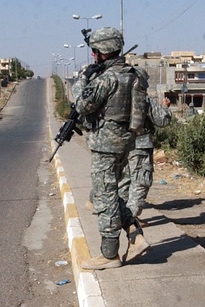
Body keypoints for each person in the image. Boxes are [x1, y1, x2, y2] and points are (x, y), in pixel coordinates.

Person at [72, 26, 150, 270]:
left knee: (104, 198)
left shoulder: (107, 79)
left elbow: (82, 104)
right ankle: (135, 236)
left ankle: (109, 255)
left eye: (95, 51)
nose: (93, 55)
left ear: (101, 52)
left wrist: (83, 79)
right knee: (108, 192)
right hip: (126, 142)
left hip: (105, 144)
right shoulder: (134, 74)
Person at [119, 82, 172, 219]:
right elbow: (162, 120)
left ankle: (122, 214)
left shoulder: (118, 97)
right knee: (140, 182)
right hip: (140, 146)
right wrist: (165, 107)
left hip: (120, 145)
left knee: (125, 181)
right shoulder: (143, 99)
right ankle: (130, 220)